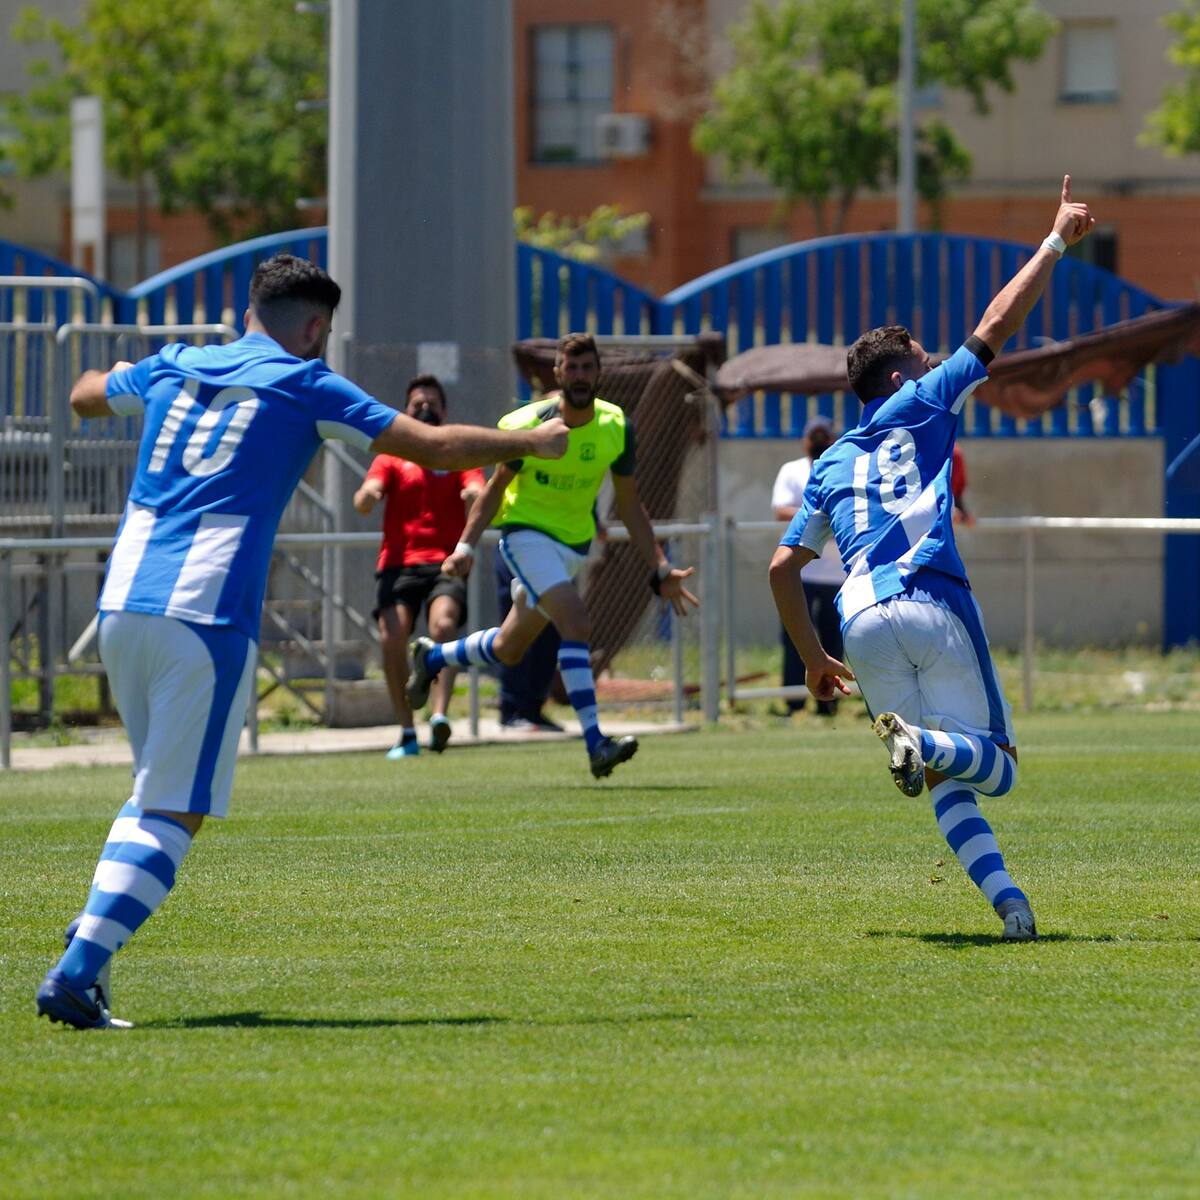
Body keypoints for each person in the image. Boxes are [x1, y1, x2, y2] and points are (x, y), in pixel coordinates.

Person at [36, 254, 569, 1029]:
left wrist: (124, 374)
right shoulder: (302, 380)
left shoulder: (177, 363)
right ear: (315, 327)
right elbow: (431, 444)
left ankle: (94, 932)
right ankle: (78, 969)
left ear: (250, 307)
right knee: (173, 810)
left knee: (152, 792)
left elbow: (87, 395)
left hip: (121, 602)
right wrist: (530, 444)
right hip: (205, 610)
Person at [769, 175, 1094, 941]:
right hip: (931, 600)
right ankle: (925, 744)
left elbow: (784, 567)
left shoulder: (827, 464)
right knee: (999, 765)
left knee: (947, 783)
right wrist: (1053, 240)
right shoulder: (923, 401)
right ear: (901, 374)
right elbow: (995, 323)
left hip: (857, 618)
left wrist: (815, 660)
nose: (933, 356)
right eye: (922, 352)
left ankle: (1010, 907)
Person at [407, 331, 700, 779]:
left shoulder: (616, 426)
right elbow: (494, 489)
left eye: (587, 367)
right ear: (558, 374)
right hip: (525, 536)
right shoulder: (532, 424)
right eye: (572, 368)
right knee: (577, 621)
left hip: (571, 548)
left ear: (598, 373)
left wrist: (660, 566)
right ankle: (595, 743)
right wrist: (465, 545)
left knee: (509, 647)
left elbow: (629, 503)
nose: (580, 376)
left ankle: (431, 659)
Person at [353, 374, 485, 758]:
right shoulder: (392, 456)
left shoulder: (457, 452)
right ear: (405, 412)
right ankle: (407, 731)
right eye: (417, 405)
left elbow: (477, 486)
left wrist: (473, 493)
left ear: (444, 412)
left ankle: (439, 717)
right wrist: (367, 496)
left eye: (431, 404)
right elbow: (369, 490)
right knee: (392, 637)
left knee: (443, 625)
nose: (425, 410)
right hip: (399, 564)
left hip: (446, 562)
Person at [771, 415, 846, 715]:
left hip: (836, 573)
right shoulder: (791, 470)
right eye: (812, 435)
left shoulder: (840, 467)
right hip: (800, 572)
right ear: (804, 440)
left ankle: (828, 704)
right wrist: (821, 516)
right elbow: (780, 509)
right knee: (797, 638)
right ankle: (793, 701)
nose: (817, 441)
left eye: (823, 435)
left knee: (833, 638)